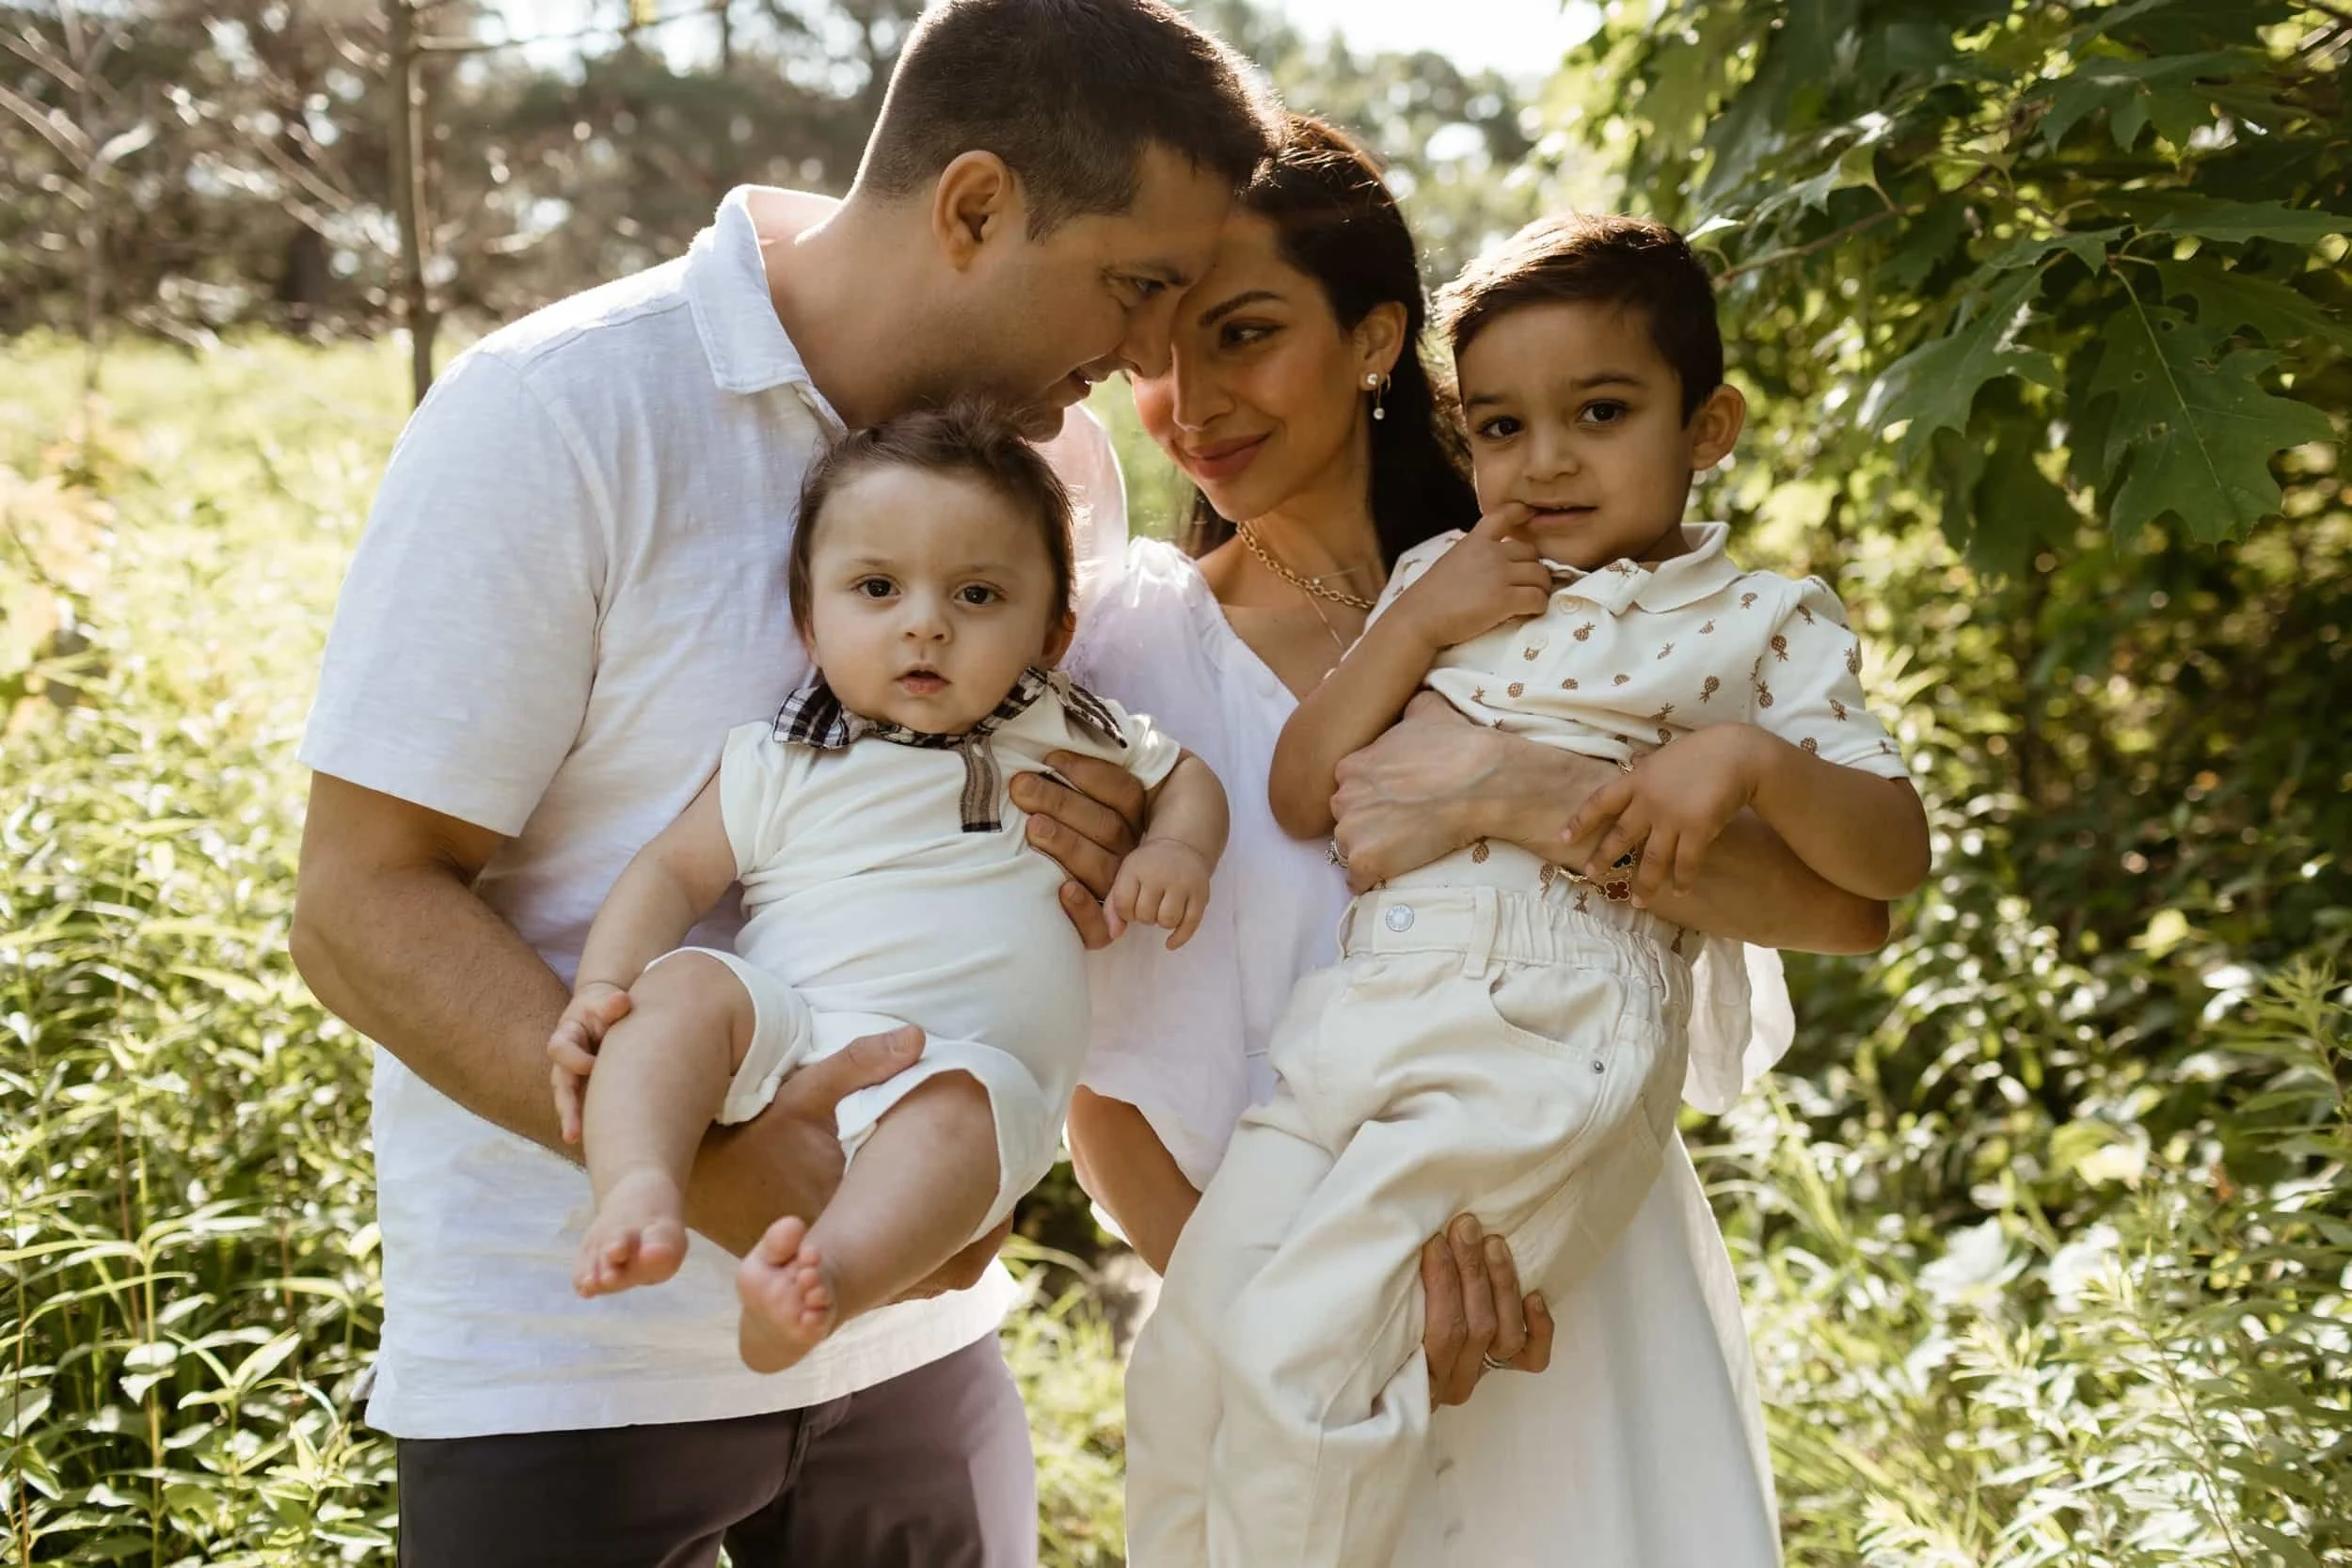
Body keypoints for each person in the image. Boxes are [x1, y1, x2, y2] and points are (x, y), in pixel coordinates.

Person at [287, 1, 1272, 1561]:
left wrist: (1098, 843)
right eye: (1138, 284)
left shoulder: (1059, 470)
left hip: (918, 1340)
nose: (1152, 357)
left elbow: (1058, 803)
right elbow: (356, 902)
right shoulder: (561, 411)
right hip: (568, 1376)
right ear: (972, 207)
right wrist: (723, 1171)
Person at [1045, 116, 1893, 1567]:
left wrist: (1515, 790)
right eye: (1154, 356)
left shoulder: (1579, 585)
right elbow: (1100, 1091)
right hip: (1299, 1290)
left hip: (1566, 1276)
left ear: (1377, 341)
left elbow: (1847, 909)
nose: (1190, 402)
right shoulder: (1118, 653)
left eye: (1244, 334)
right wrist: (1318, 1322)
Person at [543, 405, 1227, 1375]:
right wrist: (601, 985)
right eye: (876, 587)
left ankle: (818, 1282)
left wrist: (1180, 851)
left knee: (963, 1118)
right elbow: (669, 871)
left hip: (962, 1068)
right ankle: (638, 1187)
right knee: (684, 989)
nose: (925, 621)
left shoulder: (1061, 727)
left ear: (1051, 634)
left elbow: (1185, 776)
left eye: (978, 593)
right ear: (809, 623)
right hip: (784, 1025)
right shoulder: (780, 755)